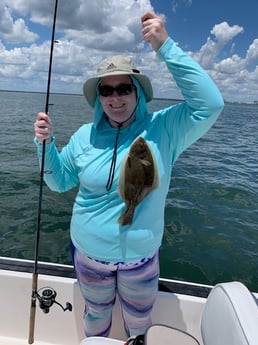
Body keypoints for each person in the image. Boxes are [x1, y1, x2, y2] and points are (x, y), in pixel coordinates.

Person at [34, 11, 224, 340]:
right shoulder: (83, 136)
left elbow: (210, 104)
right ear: (98, 99)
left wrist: (164, 46)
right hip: (89, 256)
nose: (115, 97)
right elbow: (58, 181)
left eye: (124, 87)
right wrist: (45, 144)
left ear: (137, 91)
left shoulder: (163, 129)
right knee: (95, 317)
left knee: (139, 325)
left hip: (141, 260)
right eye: (106, 91)